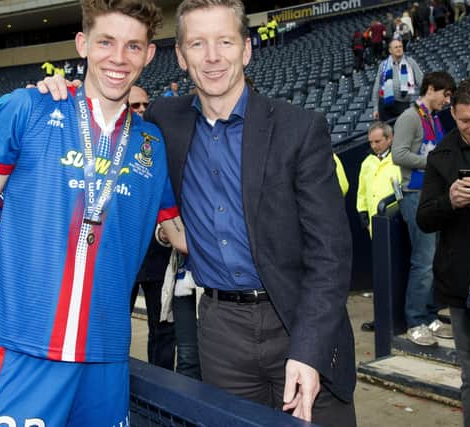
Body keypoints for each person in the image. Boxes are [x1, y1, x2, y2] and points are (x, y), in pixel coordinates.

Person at [37, 1, 356, 425]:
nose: (211, 57)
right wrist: (55, 92)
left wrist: (309, 349)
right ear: (182, 57)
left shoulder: (299, 128)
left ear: (245, 49)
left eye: (224, 41)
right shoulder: (163, 123)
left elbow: (330, 255)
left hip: (298, 318)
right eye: (197, 44)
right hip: (220, 329)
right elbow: (103, 120)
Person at [0, 2, 187, 426]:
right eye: (106, 42)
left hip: (105, 355)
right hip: (22, 342)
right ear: (82, 44)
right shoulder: (31, 108)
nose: (119, 58)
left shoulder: (150, 145)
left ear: (148, 55)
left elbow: (177, 230)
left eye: (133, 46)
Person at [417, 77, 470, 427]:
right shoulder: (440, 157)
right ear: (453, 115)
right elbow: (424, 218)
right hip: (462, 283)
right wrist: (450, 200)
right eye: (465, 121)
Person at [392, 71, 456, 346]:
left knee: (435, 262)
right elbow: (399, 154)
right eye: (446, 94)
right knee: (423, 262)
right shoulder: (409, 117)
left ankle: (430, 315)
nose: (447, 100)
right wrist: (432, 161)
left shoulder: (431, 118)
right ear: (431, 89)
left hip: (434, 195)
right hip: (415, 196)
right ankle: (415, 320)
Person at [128, 85, 176, 371]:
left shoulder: (157, 144)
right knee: (115, 330)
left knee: (164, 329)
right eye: (135, 105)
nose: (142, 110)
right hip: (126, 258)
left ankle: (162, 390)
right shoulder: (107, 144)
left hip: (159, 255)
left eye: (145, 104)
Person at [357, 122, 402, 236]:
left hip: (396, 220)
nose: (374, 146)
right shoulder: (366, 163)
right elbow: (361, 192)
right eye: (371, 142)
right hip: (374, 223)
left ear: (389, 139)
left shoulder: (399, 160)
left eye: (377, 141)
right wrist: (363, 213)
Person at [372, 39, 423, 122]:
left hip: (403, 105)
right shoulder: (383, 65)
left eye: (400, 46)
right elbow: (377, 86)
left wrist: (421, 102)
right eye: (396, 47)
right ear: (390, 50)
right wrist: (375, 108)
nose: (399, 49)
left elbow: (421, 82)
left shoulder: (410, 62)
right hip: (385, 105)